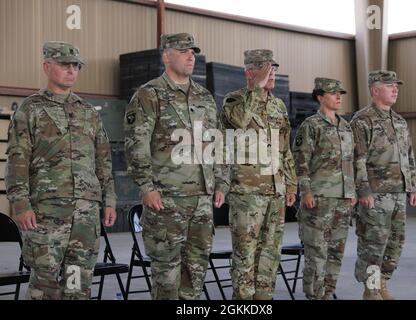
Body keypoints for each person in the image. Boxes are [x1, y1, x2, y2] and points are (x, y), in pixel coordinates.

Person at [5, 41, 117, 300]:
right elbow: (17, 158)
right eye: (65, 65)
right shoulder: (30, 109)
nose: (71, 70)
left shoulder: (89, 112)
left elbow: (103, 160)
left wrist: (109, 200)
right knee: (45, 283)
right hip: (47, 213)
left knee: (77, 283)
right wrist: (20, 204)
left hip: (86, 215)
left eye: (76, 65)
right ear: (47, 66)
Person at [124, 32, 229, 300]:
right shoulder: (149, 95)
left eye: (192, 51)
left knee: (195, 274)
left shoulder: (204, 97)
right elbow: (137, 145)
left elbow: (217, 143)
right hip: (166, 201)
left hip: (202, 203)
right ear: (166, 56)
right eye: (183, 51)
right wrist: (147, 187)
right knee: (167, 278)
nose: (190, 56)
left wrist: (221, 182)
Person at [221, 49, 297, 300]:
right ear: (250, 72)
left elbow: (284, 148)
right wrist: (257, 89)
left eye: (273, 69)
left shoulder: (278, 105)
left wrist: (291, 184)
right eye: (265, 69)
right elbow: (240, 121)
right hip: (247, 193)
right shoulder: (234, 100)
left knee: (270, 254)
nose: (271, 73)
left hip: (276, 190)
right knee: (245, 253)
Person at [351, 70, 416, 300]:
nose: (395, 89)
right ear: (375, 90)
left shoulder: (400, 121)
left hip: (399, 193)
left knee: (395, 243)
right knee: (373, 245)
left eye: (396, 86)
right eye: (389, 85)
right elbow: (356, 158)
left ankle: (382, 285)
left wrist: (412, 186)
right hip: (376, 195)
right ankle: (370, 290)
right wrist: (363, 190)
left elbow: (409, 156)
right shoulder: (363, 120)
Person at [292, 77, 356, 300]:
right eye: (333, 93)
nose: (338, 97)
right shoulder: (311, 125)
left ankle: (328, 294)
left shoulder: (346, 127)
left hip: (342, 199)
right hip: (319, 199)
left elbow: (351, 162)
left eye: (340, 93)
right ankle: (314, 295)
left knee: (336, 253)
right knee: (316, 252)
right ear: (320, 97)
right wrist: (306, 191)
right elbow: (300, 161)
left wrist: (352, 191)